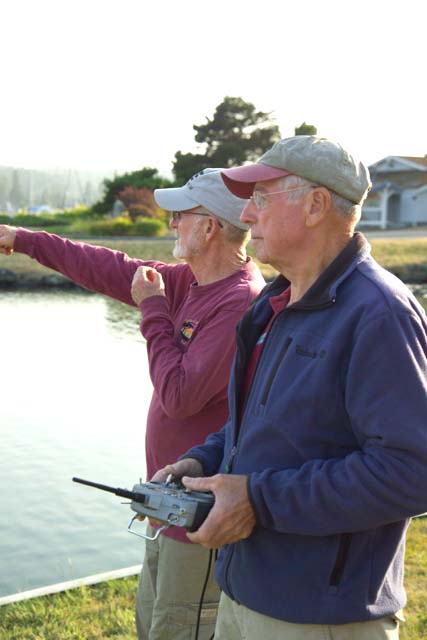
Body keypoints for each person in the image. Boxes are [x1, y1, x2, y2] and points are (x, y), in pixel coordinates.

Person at [152, 137, 427, 640]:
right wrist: (206, 459)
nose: (248, 216)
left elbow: (411, 471)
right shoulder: (275, 304)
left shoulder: (378, 314)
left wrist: (258, 499)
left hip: (320, 615)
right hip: (244, 590)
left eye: (260, 198)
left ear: (316, 205)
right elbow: (260, 425)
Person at [0, 167, 265, 640]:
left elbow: (179, 396)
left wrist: (153, 310)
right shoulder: (189, 280)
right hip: (169, 506)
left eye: (180, 216)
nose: (170, 225)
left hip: (201, 517)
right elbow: (105, 265)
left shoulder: (239, 301)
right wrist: (23, 239)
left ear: (209, 227)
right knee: (153, 625)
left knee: (181, 630)